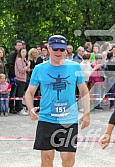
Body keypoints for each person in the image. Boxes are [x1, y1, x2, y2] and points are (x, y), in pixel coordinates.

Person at [25, 35, 90, 167]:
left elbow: (84, 91)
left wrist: (87, 113)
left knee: (68, 159)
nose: (59, 53)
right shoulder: (39, 68)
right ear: (48, 48)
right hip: (46, 119)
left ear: (66, 49)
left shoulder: (75, 67)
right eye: (55, 49)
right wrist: (30, 107)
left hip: (68, 120)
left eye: (62, 49)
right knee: (47, 159)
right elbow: (29, 92)